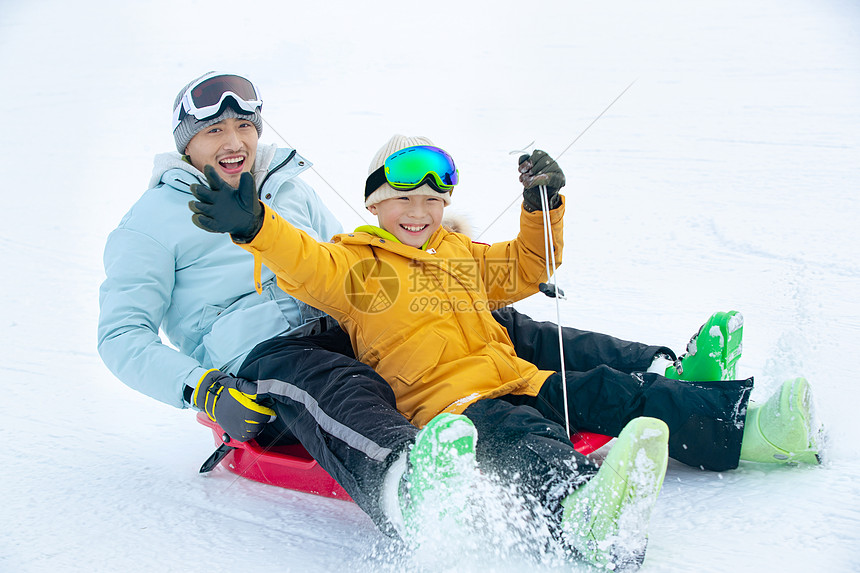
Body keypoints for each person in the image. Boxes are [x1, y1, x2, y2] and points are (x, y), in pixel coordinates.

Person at [188, 134, 822, 568]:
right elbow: (303, 263)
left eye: (434, 200)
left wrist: (540, 207)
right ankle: (588, 513)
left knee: (615, 390)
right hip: (459, 406)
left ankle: (753, 431)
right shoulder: (357, 265)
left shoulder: (459, 255)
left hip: (520, 377)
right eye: (405, 200)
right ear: (376, 203)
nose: (422, 212)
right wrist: (256, 227)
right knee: (526, 444)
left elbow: (528, 265)